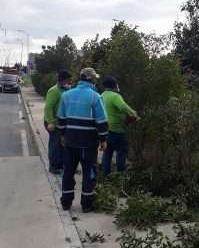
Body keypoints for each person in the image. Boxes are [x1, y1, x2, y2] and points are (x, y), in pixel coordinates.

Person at [57, 68, 108, 212]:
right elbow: (101, 120)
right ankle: (86, 204)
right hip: (88, 143)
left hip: (70, 141)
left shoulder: (66, 95)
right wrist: (103, 139)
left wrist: (62, 135)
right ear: (91, 79)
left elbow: (61, 118)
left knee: (68, 172)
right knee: (89, 174)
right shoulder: (95, 97)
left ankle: (66, 203)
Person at [101, 76, 138, 175]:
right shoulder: (115, 96)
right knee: (121, 153)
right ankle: (120, 175)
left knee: (107, 153)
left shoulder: (102, 95)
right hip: (117, 129)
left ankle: (105, 175)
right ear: (114, 85)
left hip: (105, 129)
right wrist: (134, 114)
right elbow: (123, 107)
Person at [44, 70, 72, 174]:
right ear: (63, 80)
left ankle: (60, 164)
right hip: (53, 122)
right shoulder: (54, 90)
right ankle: (53, 166)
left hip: (62, 121)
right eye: (69, 80)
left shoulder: (65, 90)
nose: (70, 82)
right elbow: (48, 107)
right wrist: (50, 122)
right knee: (55, 145)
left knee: (62, 144)